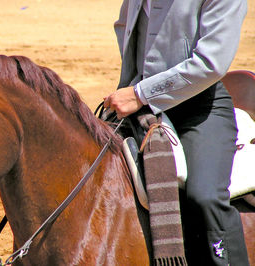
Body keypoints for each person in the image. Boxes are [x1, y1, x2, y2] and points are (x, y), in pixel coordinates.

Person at [103, 0, 249, 265]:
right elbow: (124, 28)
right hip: (141, 104)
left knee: (205, 196)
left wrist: (142, 93)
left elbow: (211, 63)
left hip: (201, 109)